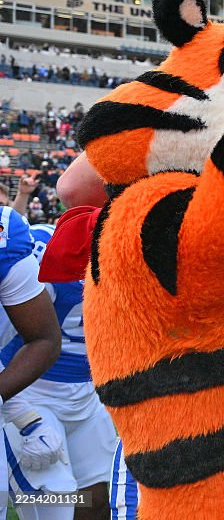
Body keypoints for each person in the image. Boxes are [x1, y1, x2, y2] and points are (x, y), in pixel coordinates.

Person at [0, 222, 118, 520]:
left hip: (86, 394)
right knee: (58, 503)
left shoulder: (134, 256)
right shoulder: (43, 247)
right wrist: (24, 416)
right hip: (32, 389)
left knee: (96, 501)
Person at [0, 204, 63, 510]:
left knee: (63, 496)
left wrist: (25, 416)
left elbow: (44, 339)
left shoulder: (5, 235)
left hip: (78, 392)